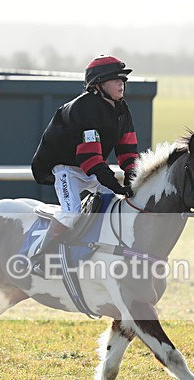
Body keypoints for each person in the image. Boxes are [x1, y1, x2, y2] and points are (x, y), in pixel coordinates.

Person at [30, 55, 138, 274]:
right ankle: (41, 257)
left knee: (115, 205)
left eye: (123, 79)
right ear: (98, 85)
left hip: (92, 168)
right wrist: (116, 185)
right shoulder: (84, 109)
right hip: (66, 168)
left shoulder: (122, 109)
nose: (121, 84)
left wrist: (131, 175)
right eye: (115, 79)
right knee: (71, 213)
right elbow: (89, 158)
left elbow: (127, 148)